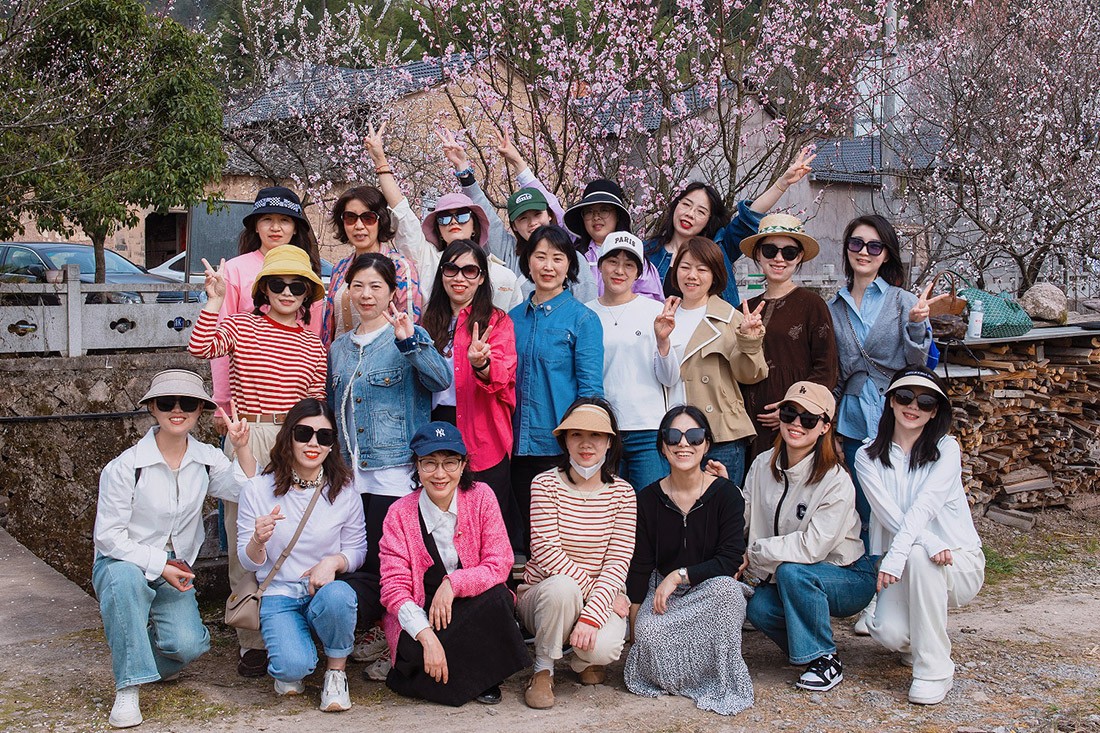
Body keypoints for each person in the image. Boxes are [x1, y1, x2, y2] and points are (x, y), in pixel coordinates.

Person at [188, 243, 328, 677]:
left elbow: (317, 404)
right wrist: (214, 299)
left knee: (294, 533)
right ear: (264, 288)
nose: (287, 292)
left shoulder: (314, 345)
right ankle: (250, 637)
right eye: (278, 284)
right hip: (248, 434)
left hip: (295, 438)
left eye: (296, 286)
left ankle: (290, 626)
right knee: (244, 535)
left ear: (307, 293)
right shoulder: (240, 325)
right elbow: (200, 347)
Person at [93, 370, 254, 729]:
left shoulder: (206, 458)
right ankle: (128, 688)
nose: (177, 410)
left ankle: (133, 652)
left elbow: (245, 491)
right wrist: (160, 565)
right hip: (123, 561)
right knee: (125, 579)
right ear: (152, 408)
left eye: (188, 403)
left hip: (176, 567)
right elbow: (109, 537)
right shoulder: (125, 467)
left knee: (188, 646)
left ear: (200, 411)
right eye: (167, 403)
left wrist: (241, 447)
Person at [326, 252, 451, 679]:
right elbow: (335, 407)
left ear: (392, 292)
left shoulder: (408, 334)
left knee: (395, 560)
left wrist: (409, 342)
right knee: (360, 560)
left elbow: (440, 380)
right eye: (358, 286)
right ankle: (369, 629)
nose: (366, 294)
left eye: (376, 286)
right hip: (351, 471)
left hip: (394, 470)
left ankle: (395, 637)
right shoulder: (339, 348)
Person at [827, 214, 937, 633]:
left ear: (886, 254)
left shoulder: (905, 302)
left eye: (874, 246)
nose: (864, 253)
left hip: (896, 413)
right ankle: (871, 594)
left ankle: (902, 591)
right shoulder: (834, 306)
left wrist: (917, 326)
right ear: (847, 249)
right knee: (862, 508)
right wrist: (830, 424)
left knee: (896, 503)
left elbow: (918, 365)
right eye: (856, 244)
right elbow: (836, 372)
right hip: (852, 416)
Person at [855, 367, 984, 706]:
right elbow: (887, 513)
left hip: (957, 561)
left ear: (935, 410)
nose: (913, 406)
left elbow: (926, 505)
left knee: (917, 555)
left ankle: (934, 670)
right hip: (908, 563)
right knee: (887, 632)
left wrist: (908, 551)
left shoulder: (947, 449)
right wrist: (927, 541)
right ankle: (923, 641)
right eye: (904, 397)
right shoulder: (867, 455)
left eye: (925, 401)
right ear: (891, 401)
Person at [379, 422, 529, 706]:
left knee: (499, 598)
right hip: (424, 617)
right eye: (429, 463)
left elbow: (500, 562)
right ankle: (479, 673)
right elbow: (393, 588)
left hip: (470, 610)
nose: (440, 474)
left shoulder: (482, 496)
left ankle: (450, 677)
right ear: (417, 466)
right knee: (412, 647)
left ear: (463, 466)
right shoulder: (398, 513)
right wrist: (426, 636)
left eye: (450, 463)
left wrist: (453, 584)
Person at [742, 382, 875, 693]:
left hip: (848, 576)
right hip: (791, 574)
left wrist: (756, 553)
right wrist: (723, 493)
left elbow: (812, 547)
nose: (796, 424)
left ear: (825, 426)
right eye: (789, 413)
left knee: (793, 572)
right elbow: (744, 516)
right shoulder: (762, 464)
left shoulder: (836, 480)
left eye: (809, 419)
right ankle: (805, 647)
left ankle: (825, 659)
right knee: (758, 608)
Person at [237, 398, 365, 712]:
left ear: (332, 444)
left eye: (324, 436)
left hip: (321, 590)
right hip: (278, 593)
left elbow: (357, 549)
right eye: (304, 433)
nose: (313, 443)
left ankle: (336, 673)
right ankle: (296, 650)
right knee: (291, 669)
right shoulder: (258, 489)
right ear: (289, 437)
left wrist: (333, 562)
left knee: (340, 596)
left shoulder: (344, 489)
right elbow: (247, 560)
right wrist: (258, 540)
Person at [624, 406, 752, 716]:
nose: (683, 444)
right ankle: (686, 676)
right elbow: (640, 564)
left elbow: (729, 560)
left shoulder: (726, 494)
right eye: (673, 436)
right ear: (662, 445)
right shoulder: (647, 499)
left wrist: (679, 575)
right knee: (649, 637)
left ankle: (714, 677)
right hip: (663, 594)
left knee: (728, 593)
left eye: (694, 436)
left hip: (710, 590)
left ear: (706, 444)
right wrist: (635, 627)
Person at [518, 399, 636, 709]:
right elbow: (546, 552)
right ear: (565, 440)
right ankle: (543, 669)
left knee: (604, 649)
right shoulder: (544, 484)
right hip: (546, 594)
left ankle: (583, 661)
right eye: (576, 434)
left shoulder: (623, 493)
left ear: (609, 442)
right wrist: (601, 597)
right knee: (562, 586)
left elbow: (617, 562)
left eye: (596, 435)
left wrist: (593, 612)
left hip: (601, 592)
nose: (586, 444)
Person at [419, 239, 524, 550]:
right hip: (437, 424)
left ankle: (495, 579)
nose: (459, 278)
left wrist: (482, 364)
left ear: (481, 278)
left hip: (482, 427)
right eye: (451, 269)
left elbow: (505, 374)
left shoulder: (496, 321)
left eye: (469, 270)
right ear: (441, 273)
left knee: (488, 523)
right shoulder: (428, 321)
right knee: (444, 522)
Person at [509, 225, 604, 550]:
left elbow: (591, 391)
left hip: (560, 447)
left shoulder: (583, 319)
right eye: (540, 257)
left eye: (557, 258)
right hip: (514, 447)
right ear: (528, 261)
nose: (548, 266)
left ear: (569, 266)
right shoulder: (511, 319)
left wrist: (583, 445)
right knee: (524, 542)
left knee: (562, 540)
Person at [644, 148, 815, 306]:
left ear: (709, 220)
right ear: (676, 205)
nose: (690, 214)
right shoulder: (646, 252)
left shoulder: (719, 248)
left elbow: (750, 217)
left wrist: (783, 183)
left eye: (701, 212)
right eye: (686, 204)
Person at [664, 236, 768, 484]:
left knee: (720, 504)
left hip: (720, 435)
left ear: (715, 275)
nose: (692, 276)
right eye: (685, 267)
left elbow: (750, 374)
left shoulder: (730, 318)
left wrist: (749, 340)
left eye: (702, 269)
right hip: (673, 435)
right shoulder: (664, 315)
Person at [585, 231, 681, 490]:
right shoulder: (585, 313)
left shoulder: (655, 312)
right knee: (607, 507)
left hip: (647, 429)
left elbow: (670, 378)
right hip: (602, 429)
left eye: (629, 265)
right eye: (612, 262)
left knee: (651, 505)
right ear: (600, 265)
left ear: (638, 273)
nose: (620, 271)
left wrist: (663, 342)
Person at [457, 128, 598, 302]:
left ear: (550, 215)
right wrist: (464, 171)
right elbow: (487, 216)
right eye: (523, 218)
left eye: (537, 214)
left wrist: (518, 161)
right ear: (514, 226)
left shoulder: (573, 258)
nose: (532, 223)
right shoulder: (508, 252)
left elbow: (588, 306)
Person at [738, 214, 838, 459]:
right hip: (748, 420)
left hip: (798, 424)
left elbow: (826, 367)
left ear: (799, 256)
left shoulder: (812, 305)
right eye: (770, 250)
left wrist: (792, 410)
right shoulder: (744, 308)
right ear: (758, 254)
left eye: (789, 252)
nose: (779, 259)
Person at [320, 128, 425, 346]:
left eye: (367, 218)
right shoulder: (340, 269)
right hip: (342, 362)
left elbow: (410, 326)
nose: (359, 226)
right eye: (350, 218)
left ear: (381, 220)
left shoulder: (400, 267)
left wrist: (380, 161)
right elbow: (329, 328)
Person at [563, 178, 664, 301]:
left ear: (618, 215)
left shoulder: (636, 256)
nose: (596, 217)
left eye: (604, 210)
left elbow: (650, 301)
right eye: (589, 212)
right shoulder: (573, 257)